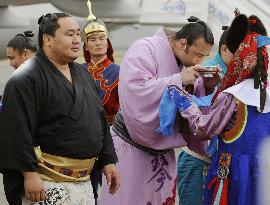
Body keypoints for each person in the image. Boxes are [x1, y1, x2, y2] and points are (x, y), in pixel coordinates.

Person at [0, 12, 120, 205]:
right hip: (44, 181)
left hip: (83, 181)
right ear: (47, 39)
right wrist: (29, 174)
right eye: (69, 34)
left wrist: (108, 159)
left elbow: (99, 119)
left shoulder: (82, 72)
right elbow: (16, 130)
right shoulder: (25, 78)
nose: (76, 41)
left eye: (77, 35)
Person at [101, 16, 215, 205]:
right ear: (182, 43)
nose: (199, 60)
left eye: (204, 56)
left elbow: (190, 98)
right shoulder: (144, 48)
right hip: (130, 148)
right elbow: (136, 91)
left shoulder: (183, 62)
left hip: (163, 152)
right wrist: (178, 79)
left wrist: (207, 86)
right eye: (197, 54)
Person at [163, 14, 270, 205]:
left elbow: (203, 129)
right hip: (260, 176)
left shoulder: (232, 95)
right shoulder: (265, 93)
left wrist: (185, 103)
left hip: (231, 176)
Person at [176, 25, 232, 205]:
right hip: (197, 158)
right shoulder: (206, 71)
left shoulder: (236, 75)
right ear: (224, 49)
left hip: (219, 161)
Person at [81, 1, 120, 204]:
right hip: (83, 136)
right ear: (86, 45)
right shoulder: (77, 71)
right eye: (93, 39)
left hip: (113, 135)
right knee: (88, 190)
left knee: (114, 188)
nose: (98, 42)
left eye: (102, 38)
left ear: (108, 42)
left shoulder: (120, 72)